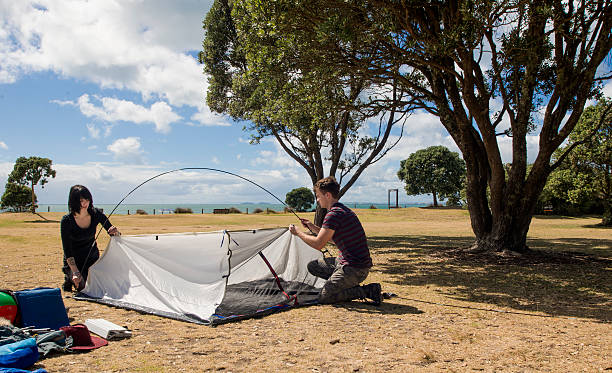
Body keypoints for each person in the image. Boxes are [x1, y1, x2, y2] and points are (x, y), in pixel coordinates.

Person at [289, 176, 382, 305]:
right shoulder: (341, 210)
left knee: (325, 297)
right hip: (348, 262)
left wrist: (298, 233)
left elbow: (318, 244)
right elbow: (334, 239)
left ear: (327, 195)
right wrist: (311, 226)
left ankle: (367, 291)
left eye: (318, 196)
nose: (317, 200)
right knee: (313, 266)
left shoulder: (333, 215)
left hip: (355, 268)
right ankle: (340, 284)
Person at [60, 185, 120, 292]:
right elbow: (67, 250)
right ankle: (69, 278)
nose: (85, 204)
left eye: (87, 200)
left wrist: (115, 231)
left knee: (99, 286)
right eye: (81, 201)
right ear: (74, 201)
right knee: (84, 288)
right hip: (74, 261)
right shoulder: (67, 221)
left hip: (92, 258)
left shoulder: (96, 214)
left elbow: (112, 231)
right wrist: (75, 272)